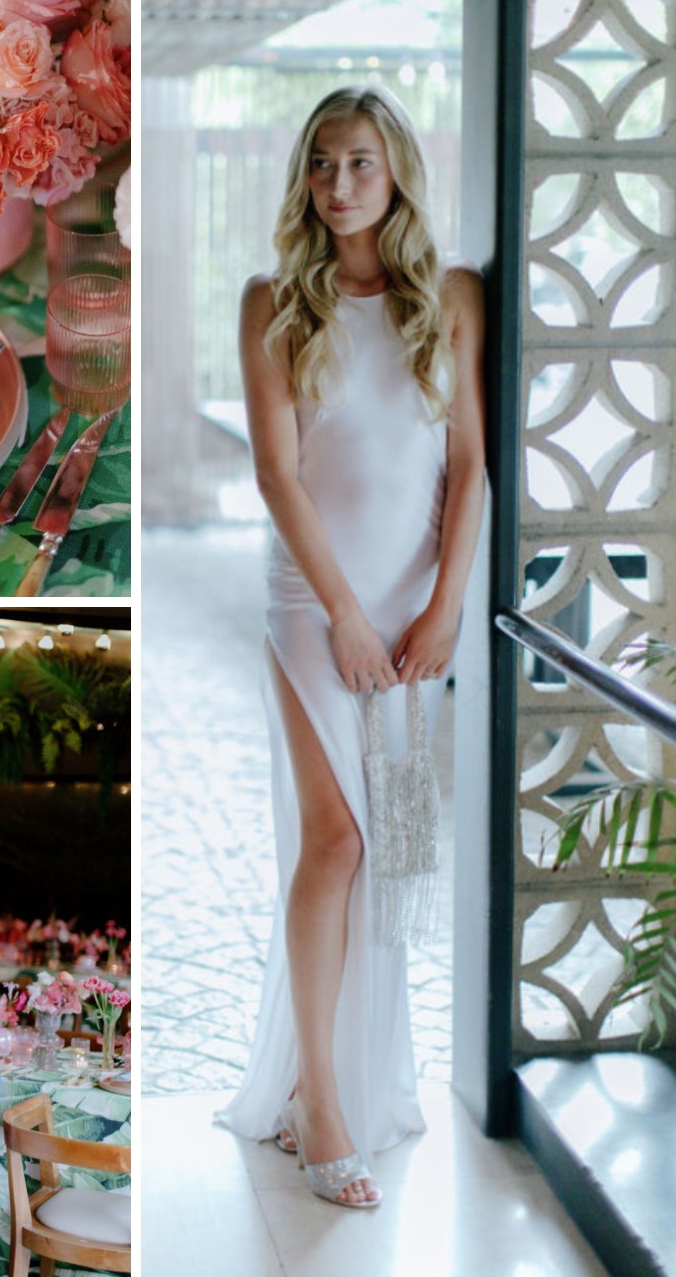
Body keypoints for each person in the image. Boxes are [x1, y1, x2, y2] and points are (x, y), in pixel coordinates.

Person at [216, 86, 485, 1208]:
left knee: (393, 851)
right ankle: (322, 1104)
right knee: (335, 841)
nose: (337, 185)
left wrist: (448, 605)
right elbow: (279, 475)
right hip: (313, 602)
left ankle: (326, 1082)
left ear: (397, 172)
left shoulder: (453, 298)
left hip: (418, 610)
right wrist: (343, 614)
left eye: (360, 162)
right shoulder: (272, 301)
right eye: (322, 163)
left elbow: (469, 463)